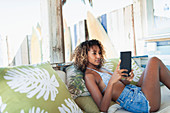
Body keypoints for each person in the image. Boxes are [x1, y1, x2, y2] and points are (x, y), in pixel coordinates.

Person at [72, 39, 170, 112]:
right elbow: (103, 108)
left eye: (99, 53)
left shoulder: (101, 69)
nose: (98, 56)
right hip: (140, 103)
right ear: (84, 55)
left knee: (152, 63)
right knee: (153, 61)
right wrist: (111, 82)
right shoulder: (89, 76)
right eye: (94, 53)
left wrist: (127, 80)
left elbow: (120, 86)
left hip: (136, 91)